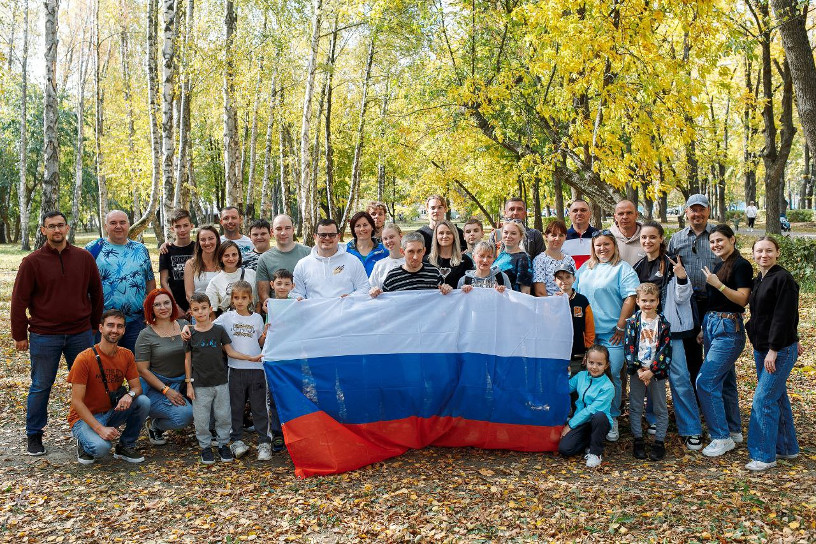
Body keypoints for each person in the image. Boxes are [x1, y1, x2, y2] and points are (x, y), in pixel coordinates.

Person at [12, 211, 104, 456]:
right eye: (51, 226)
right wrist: (19, 334)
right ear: (43, 230)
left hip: (80, 333)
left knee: (88, 384)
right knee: (41, 385)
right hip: (45, 334)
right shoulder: (32, 262)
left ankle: (88, 432)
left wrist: (94, 324)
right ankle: (34, 434)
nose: (57, 230)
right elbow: (19, 300)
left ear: (67, 228)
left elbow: (96, 293)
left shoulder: (84, 258)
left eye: (60, 225)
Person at [634, 221, 703, 451]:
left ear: (661, 238)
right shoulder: (639, 267)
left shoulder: (672, 261)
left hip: (671, 330)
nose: (648, 241)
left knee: (679, 377)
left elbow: (683, 297)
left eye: (652, 237)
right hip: (648, 331)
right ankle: (654, 418)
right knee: (652, 375)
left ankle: (691, 428)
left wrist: (681, 277)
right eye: (644, 237)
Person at [573, 229, 639, 442]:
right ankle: (587, 416)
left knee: (612, 375)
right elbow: (574, 294)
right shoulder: (586, 268)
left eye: (606, 244)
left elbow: (631, 297)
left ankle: (612, 417)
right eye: (598, 245)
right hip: (588, 335)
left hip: (613, 334)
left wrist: (621, 326)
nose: (602, 248)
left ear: (614, 246)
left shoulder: (622, 268)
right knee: (588, 375)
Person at [185, 293, 262, 464]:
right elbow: (187, 360)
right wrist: (188, 383)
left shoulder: (219, 330)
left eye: (204, 308)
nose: (200, 312)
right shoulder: (190, 334)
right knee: (202, 419)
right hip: (200, 384)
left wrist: (250, 358)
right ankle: (205, 447)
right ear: (191, 312)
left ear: (210, 309)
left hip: (221, 382)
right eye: (196, 309)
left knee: (223, 416)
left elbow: (230, 352)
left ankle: (223, 445)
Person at [744, 237, 800, 471]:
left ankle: (764, 456)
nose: (763, 255)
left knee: (763, 399)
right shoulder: (759, 279)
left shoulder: (783, 279)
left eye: (769, 251)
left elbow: (784, 315)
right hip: (762, 348)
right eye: (759, 251)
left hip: (777, 350)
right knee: (776, 396)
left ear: (777, 253)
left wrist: (775, 350)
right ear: (753, 254)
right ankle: (787, 447)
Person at [68, 310, 151, 465]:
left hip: (111, 411)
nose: (115, 330)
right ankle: (83, 441)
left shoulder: (126, 355)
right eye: (110, 325)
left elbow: (137, 388)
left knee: (143, 401)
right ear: (101, 328)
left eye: (119, 326)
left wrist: (129, 395)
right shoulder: (84, 359)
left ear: (124, 330)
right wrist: (99, 429)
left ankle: (126, 445)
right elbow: (76, 402)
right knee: (101, 448)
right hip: (84, 417)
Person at [697, 224, 752, 457]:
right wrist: (704, 328)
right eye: (712, 242)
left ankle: (721, 437)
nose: (715, 245)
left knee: (705, 381)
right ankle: (733, 429)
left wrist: (717, 284)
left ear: (732, 240)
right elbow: (717, 301)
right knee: (725, 381)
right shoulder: (720, 265)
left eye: (720, 240)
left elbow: (742, 299)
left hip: (729, 328)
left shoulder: (741, 265)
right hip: (712, 326)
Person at [212, 281, 273, 461]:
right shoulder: (226, 318)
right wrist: (187, 328)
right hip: (235, 369)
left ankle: (264, 442)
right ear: (231, 299)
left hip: (257, 369)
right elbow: (207, 327)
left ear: (250, 299)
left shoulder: (257, 318)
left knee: (259, 408)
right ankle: (237, 441)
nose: (240, 301)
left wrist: (264, 335)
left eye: (243, 298)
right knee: (236, 407)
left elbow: (260, 343)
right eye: (236, 298)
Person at [86, 210, 156, 353]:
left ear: (128, 225)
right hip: (103, 322)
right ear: (106, 226)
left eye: (122, 222)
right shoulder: (93, 249)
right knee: (104, 362)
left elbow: (149, 281)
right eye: (113, 223)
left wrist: (151, 311)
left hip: (136, 321)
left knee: (135, 362)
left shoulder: (141, 249)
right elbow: (82, 284)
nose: (118, 226)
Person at [667, 194, 716, 392]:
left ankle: (712, 396)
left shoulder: (717, 236)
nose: (697, 214)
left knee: (714, 353)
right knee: (691, 352)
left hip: (713, 301)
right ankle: (694, 397)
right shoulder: (677, 239)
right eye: (693, 210)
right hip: (686, 303)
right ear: (686, 212)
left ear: (708, 211)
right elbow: (670, 270)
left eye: (701, 210)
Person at [134, 288, 194, 446]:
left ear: (173, 305)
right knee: (185, 415)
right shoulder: (145, 335)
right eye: (157, 305)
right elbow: (142, 370)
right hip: (157, 385)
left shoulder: (184, 325)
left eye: (166, 303)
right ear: (151, 309)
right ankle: (155, 425)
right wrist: (166, 390)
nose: (163, 307)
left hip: (185, 380)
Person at [624, 283, 671, 461]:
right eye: (644, 300)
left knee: (660, 407)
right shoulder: (632, 322)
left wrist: (652, 370)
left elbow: (665, 349)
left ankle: (659, 442)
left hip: (656, 373)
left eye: (652, 300)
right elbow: (628, 347)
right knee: (636, 406)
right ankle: (638, 439)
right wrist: (638, 369)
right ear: (637, 301)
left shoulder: (663, 324)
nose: (648, 304)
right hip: (637, 371)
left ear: (658, 301)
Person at [557, 345, 614, 468]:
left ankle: (595, 453)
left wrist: (570, 425)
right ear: (586, 361)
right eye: (591, 362)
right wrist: (566, 374)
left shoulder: (608, 387)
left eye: (599, 364)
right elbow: (565, 389)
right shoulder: (581, 376)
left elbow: (591, 410)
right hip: (582, 421)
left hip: (598, 422)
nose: (594, 367)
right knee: (565, 449)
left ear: (606, 365)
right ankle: (590, 441)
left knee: (599, 416)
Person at [292, 218, 370, 299]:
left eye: (332, 235)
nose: (327, 238)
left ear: (338, 236)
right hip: (314, 308)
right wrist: (299, 298)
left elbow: (364, 287)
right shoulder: (302, 265)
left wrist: (351, 297)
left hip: (345, 307)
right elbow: (296, 292)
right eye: (323, 235)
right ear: (315, 236)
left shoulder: (353, 261)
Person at [256, 214, 311, 310]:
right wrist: (273, 308)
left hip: (305, 310)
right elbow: (263, 294)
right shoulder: (264, 259)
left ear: (293, 230)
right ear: (272, 232)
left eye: (287, 228)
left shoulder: (309, 253)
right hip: (277, 312)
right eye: (279, 229)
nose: (283, 232)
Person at [371, 232, 453, 296]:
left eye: (419, 251)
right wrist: (376, 294)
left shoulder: (434, 273)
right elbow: (385, 303)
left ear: (424, 251)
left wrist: (447, 290)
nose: (415, 257)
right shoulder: (392, 277)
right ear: (402, 252)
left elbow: (442, 300)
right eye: (411, 251)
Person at [552, 263, 594, 376]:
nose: (564, 281)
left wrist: (588, 350)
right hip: (558, 355)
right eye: (560, 278)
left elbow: (589, 328)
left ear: (574, 279)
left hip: (578, 355)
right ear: (554, 280)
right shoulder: (552, 301)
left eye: (568, 277)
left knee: (577, 383)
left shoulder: (582, 300)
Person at [159, 209, 195, 313]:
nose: (182, 230)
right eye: (178, 226)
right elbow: (163, 281)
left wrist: (195, 305)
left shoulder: (198, 248)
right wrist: (174, 305)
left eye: (185, 225)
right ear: (172, 228)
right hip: (175, 303)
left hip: (196, 303)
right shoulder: (166, 250)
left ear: (191, 226)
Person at [206, 241, 257, 315]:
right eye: (226, 255)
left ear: (239, 256)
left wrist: (257, 319)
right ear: (220, 258)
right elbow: (212, 311)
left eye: (234, 254)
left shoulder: (251, 274)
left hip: (251, 320)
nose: (231, 258)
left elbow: (258, 302)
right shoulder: (215, 282)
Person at [532, 220, 576, 297]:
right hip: (548, 303)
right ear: (546, 236)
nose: (557, 238)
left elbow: (575, 285)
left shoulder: (569, 260)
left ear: (565, 237)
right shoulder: (540, 260)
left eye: (561, 235)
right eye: (553, 235)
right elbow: (540, 292)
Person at [428, 219, 474, 288]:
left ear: (454, 236)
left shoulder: (465, 261)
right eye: (441, 233)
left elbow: (471, 285)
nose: (445, 236)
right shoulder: (427, 261)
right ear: (436, 236)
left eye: (448, 233)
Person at [184, 225, 221, 307]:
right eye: (203, 240)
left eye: (211, 238)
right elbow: (189, 294)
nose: (207, 243)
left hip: (222, 309)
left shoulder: (224, 262)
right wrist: (202, 309)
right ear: (198, 242)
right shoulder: (191, 264)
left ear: (217, 240)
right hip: (199, 310)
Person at [494, 220, 532, 293]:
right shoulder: (502, 254)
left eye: (513, 233)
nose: (508, 236)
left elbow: (525, 291)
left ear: (521, 236)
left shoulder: (523, 258)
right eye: (506, 232)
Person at [346, 211, 388, 276]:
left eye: (365, 225)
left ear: (372, 227)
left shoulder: (384, 251)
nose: (362, 229)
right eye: (358, 226)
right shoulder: (346, 251)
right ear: (353, 230)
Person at [562, 199, 599, 269]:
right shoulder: (562, 237)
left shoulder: (599, 236)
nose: (579, 213)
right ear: (569, 214)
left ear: (590, 213)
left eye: (583, 210)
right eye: (575, 211)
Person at [369, 224, 405, 290]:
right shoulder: (379, 265)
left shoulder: (410, 262)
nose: (388, 241)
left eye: (391, 237)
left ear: (400, 236)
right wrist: (374, 290)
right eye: (385, 239)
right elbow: (371, 287)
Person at [610, 200, 645, 266]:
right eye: (621, 214)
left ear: (636, 215)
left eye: (629, 213)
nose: (625, 217)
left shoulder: (648, 237)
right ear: (615, 217)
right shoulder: (607, 238)